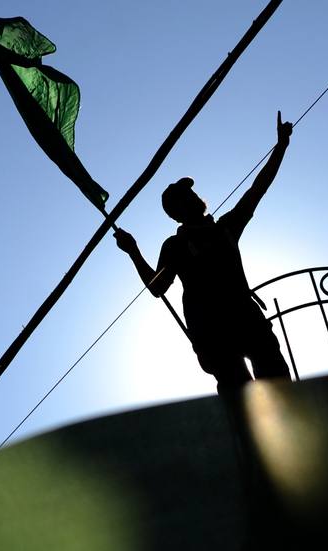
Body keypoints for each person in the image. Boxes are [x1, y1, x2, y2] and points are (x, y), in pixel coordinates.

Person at [114, 113, 294, 392]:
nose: (193, 196)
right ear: (176, 211)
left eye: (191, 193)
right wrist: (133, 251)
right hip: (212, 334)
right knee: (241, 399)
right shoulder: (174, 246)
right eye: (185, 196)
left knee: (280, 388)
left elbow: (257, 189)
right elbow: (158, 287)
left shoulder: (225, 227)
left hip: (248, 322)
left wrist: (280, 147)